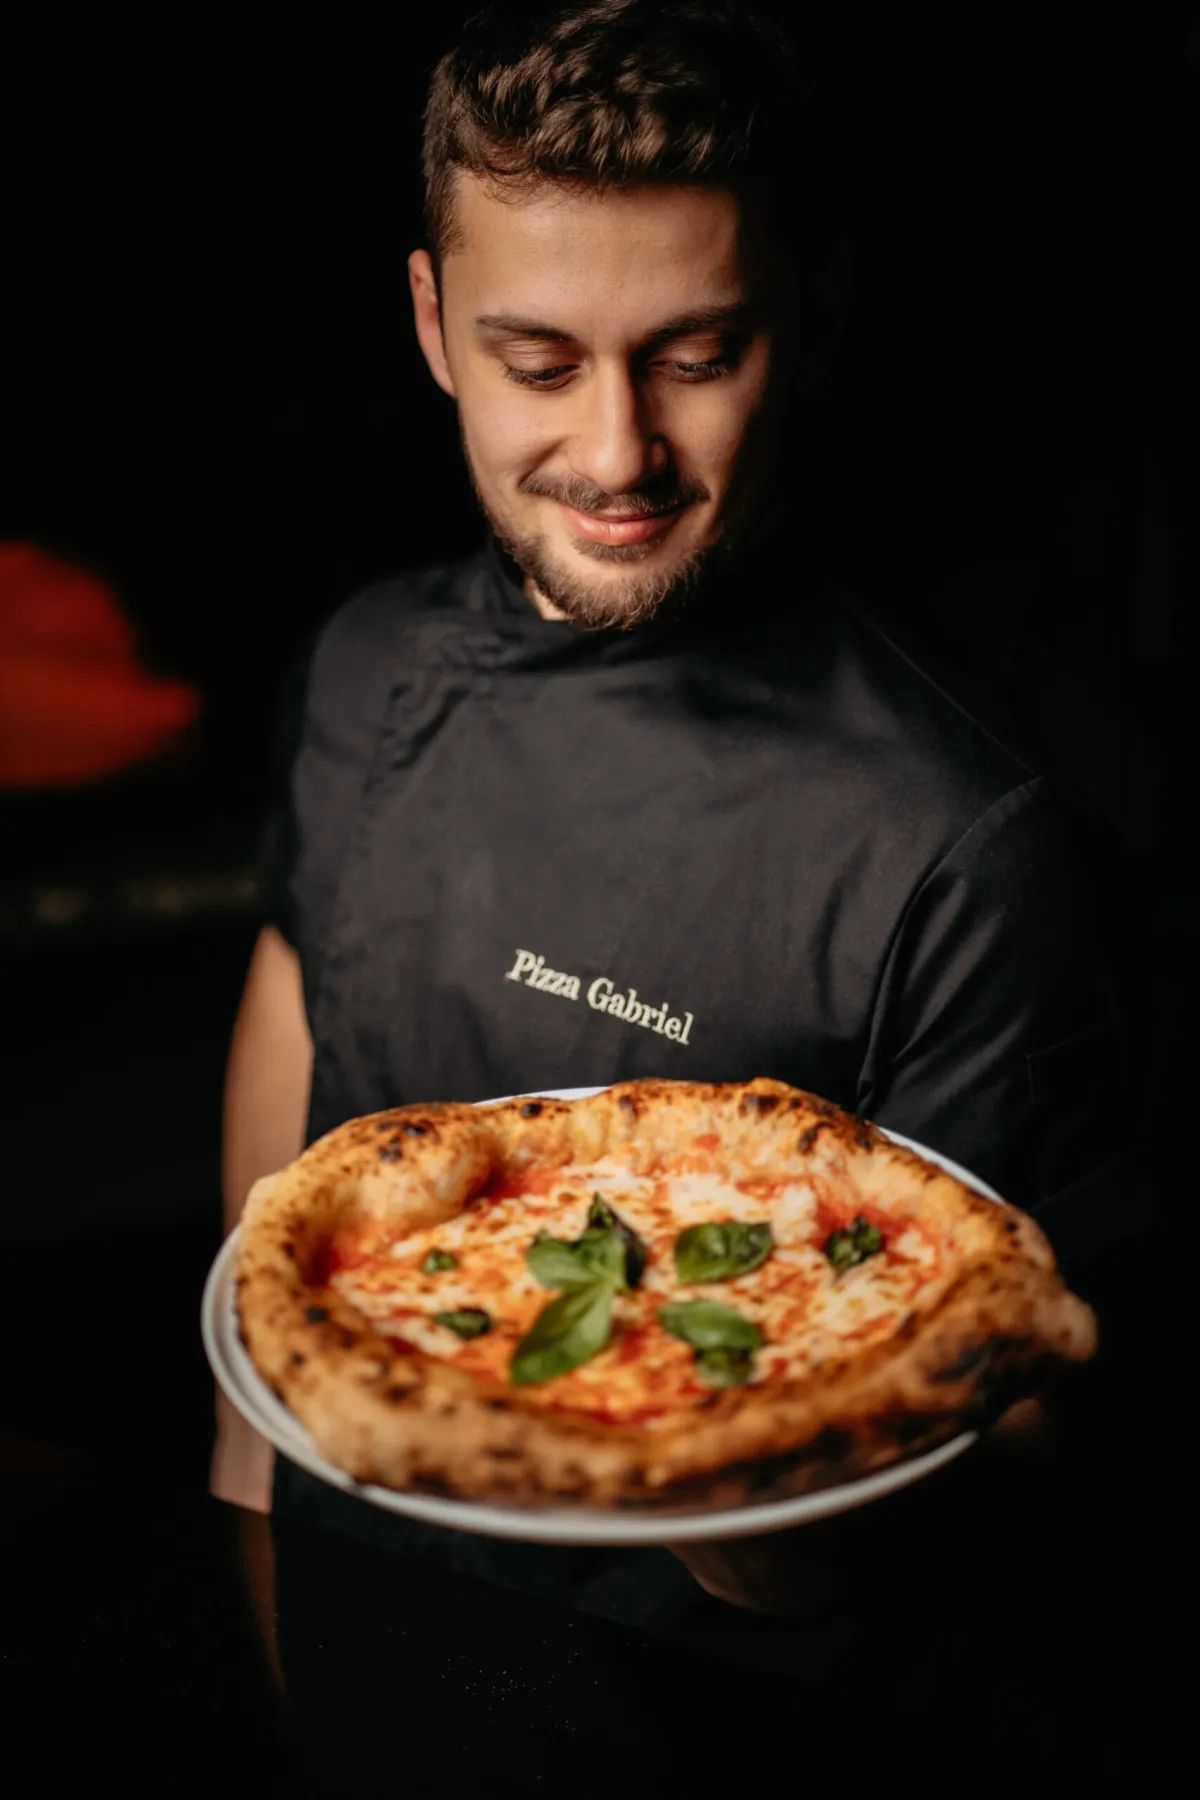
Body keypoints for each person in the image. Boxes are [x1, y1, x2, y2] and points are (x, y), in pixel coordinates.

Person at [212, 0, 1120, 1615]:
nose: (618, 451)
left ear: (815, 313)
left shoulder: (967, 840)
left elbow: (1013, 1394)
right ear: (432, 324)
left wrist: (736, 1489)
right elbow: (299, 990)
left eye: (698, 356)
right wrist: (252, 1448)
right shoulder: (363, 662)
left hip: (717, 1706)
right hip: (345, 1589)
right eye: (538, 362)